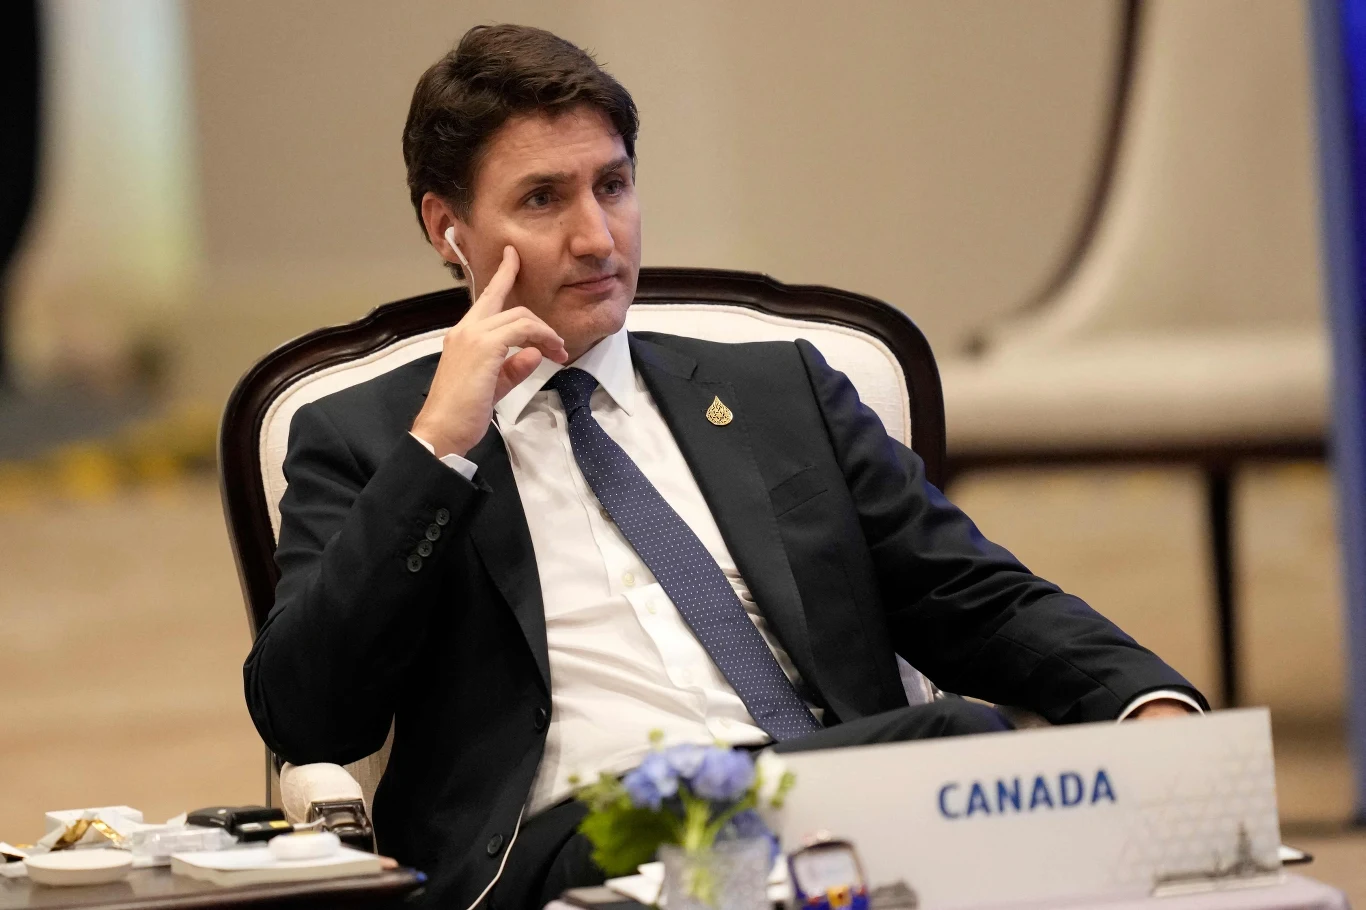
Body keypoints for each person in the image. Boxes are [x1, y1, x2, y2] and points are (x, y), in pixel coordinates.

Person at [243, 24, 1206, 910]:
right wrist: (439, 450)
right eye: (543, 199)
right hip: (578, 839)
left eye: (613, 186)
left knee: (970, 763)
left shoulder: (780, 392)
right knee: (938, 755)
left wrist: (1143, 701)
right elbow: (309, 715)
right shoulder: (371, 439)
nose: (597, 238)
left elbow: (972, 595)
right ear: (446, 228)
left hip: (834, 806)